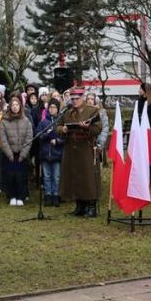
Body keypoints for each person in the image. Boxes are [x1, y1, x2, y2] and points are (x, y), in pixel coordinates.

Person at [58, 88, 103, 217]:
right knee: (74, 177)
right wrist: (63, 129)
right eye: (72, 99)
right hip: (71, 149)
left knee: (88, 178)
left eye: (76, 99)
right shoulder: (67, 112)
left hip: (86, 149)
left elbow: (98, 127)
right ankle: (80, 205)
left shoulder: (92, 110)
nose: (74, 101)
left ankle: (91, 206)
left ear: (82, 97)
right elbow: (58, 126)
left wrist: (87, 127)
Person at [0, 93, 33, 206]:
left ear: (20, 106)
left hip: (21, 154)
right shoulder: (4, 121)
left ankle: (21, 196)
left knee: (21, 176)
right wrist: (9, 154)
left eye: (17, 105)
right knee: (10, 176)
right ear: (10, 107)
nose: (15, 107)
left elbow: (29, 138)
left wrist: (23, 154)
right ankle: (12, 196)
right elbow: (3, 139)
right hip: (9, 154)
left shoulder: (26, 121)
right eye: (13, 105)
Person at [37, 98, 65, 207]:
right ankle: (48, 195)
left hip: (57, 154)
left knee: (56, 176)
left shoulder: (60, 123)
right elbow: (38, 135)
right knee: (47, 176)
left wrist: (57, 141)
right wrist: (46, 134)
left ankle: (55, 195)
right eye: (50, 107)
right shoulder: (43, 122)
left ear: (58, 109)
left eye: (54, 107)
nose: (52, 109)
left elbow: (65, 138)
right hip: (45, 153)